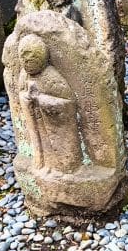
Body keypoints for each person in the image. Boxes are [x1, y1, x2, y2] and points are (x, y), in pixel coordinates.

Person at [16, 34, 82, 175]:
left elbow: (69, 103)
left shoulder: (50, 77)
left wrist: (41, 100)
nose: (27, 63)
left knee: (59, 152)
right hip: (37, 124)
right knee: (42, 146)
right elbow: (20, 95)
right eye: (24, 60)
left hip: (57, 128)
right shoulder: (24, 76)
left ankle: (63, 167)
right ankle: (43, 163)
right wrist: (27, 98)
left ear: (42, 58)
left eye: (32, 60)